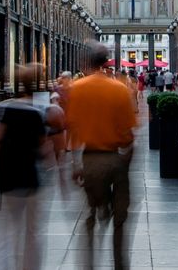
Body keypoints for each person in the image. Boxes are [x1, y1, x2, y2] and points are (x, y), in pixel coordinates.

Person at [68, 45, 137, 270]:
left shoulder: (77, 88)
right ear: (106, 62)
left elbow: (74, 131)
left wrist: (76, 165)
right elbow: (128, 135)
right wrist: (125, 163)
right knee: (120, 219)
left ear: (87, 63)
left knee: (90, 213)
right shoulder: (118, 89)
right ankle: (119, 264)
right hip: (115, 158)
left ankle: (88, 263)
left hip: (90, 160)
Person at [0, 64, 47, 268]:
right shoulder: (36, 112)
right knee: (32, 229)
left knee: (9, 224)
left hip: (7, 172)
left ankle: (6, 263)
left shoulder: (7, 109)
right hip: (28, 175)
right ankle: (29, 265)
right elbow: (43, 146)